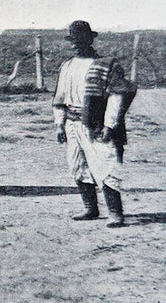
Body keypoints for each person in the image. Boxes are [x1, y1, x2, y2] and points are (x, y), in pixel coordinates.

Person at [52, 19, 137, 227]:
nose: (75, 44)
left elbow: (117, 97)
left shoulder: (106, 65)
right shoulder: (67, 66)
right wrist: (59, 124)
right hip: (72, 122)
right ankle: (90, 208)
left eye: (80, 39)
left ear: (90, 40)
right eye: (72, 39)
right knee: (78, 164)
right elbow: (59, 98)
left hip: (95, 123)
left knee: (106, 164)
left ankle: (116, 213)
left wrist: (109, 126)